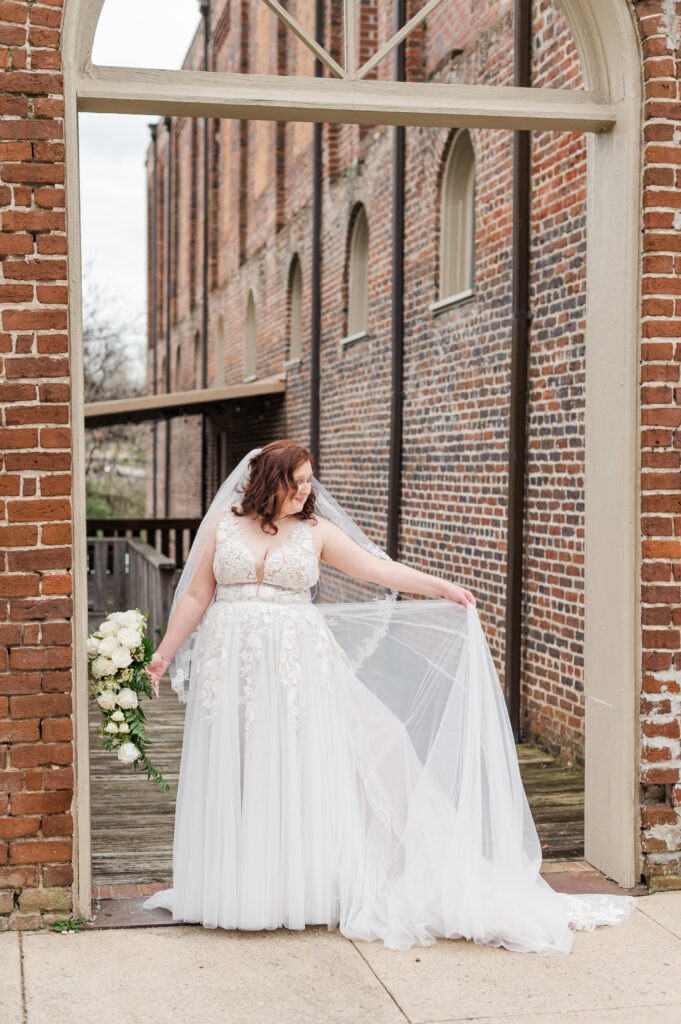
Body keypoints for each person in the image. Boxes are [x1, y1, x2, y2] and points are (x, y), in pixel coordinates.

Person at [142, 440, 636, 954]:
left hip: (298, 667)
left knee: (321, 760)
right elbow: (198, 594)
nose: (307, 491)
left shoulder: (316, 532)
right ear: (270, 481)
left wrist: (441, 587)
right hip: (233, 665)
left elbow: (381, 570)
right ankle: (237, 891)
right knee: (241, 769)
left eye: (311, 481)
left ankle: (298, 889)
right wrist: (164, 654)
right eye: (299, 481)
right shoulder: (223, 523)